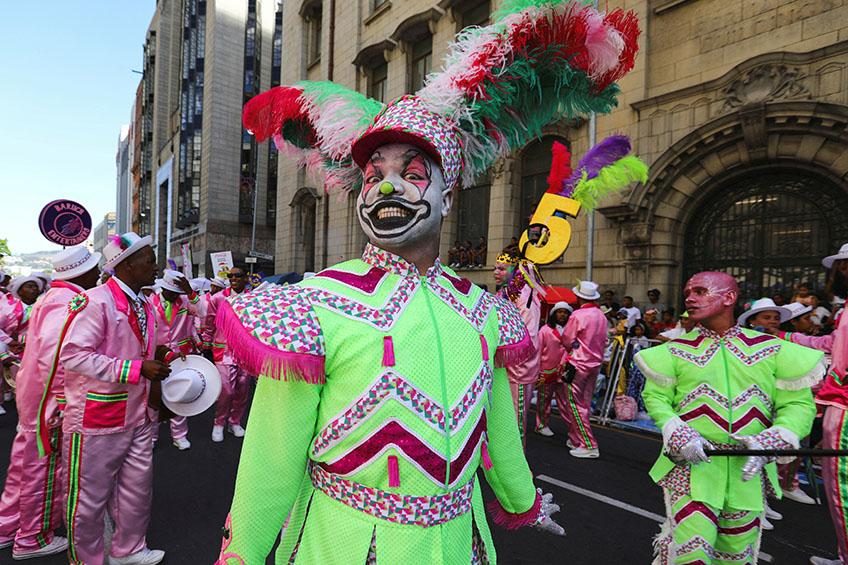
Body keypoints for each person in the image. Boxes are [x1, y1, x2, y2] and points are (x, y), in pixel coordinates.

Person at [636, 272, 823, 565]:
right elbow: (657, 399)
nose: (689, 298)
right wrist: (676, 430)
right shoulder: (673, 351)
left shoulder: (772, 350)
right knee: (691, 554)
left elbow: (798, 404)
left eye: (700, 291)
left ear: (729, 297)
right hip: (692, 469)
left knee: (736, 556)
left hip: (747, 471)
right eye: (688, 291)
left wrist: (775, 438)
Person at [60, 232, 172, 565]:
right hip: (98, 417)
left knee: (137, 489)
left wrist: (163, 355)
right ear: (126, 265)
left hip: (138, 414)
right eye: (150, 260)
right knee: (88, 500)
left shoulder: (144, 302)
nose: (156, 267)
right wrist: (136, 369)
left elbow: (146, 348)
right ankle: (86, 560)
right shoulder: (96, 301)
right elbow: (74, 355)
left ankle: (129, 549)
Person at [0, 247, 100, 559]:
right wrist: (60, 401)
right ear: (78, 273)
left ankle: (7, 527)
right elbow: (55, 358)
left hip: (33, 395)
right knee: (41, 469)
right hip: (47, 400)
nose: (98, 274)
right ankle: (32, 538)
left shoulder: (49, 297)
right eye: (93, 269)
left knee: (23, 464)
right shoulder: (69, 301)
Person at [775, 244, 848, 565]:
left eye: (844, 268)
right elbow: (831, 344)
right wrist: (788, 339)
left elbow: (839, 362)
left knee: (840, 487)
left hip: (844, 408)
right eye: (840, 268)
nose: (840, 274)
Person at [494, 251, 543, 445]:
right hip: (502, 366)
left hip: (518, 369)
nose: (495, 272)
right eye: (495, 267)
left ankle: (519, 469)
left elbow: (528, 335)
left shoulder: (525, 297)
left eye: (501, 268)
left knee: (516, 421)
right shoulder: (504, 293)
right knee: (500, 418)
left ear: (515, 270)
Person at [150, 269, 202, 450]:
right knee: (155, 396)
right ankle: (152, 436)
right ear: (163, 288)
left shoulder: (186, 301)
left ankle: (179, 435)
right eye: (172, 292)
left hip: (181, 355)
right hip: (157, 355)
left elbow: (203, 312)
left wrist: (190, 292)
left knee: (181, 394)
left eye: (178, 293)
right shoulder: (150, 303)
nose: (175, 296)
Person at [204, 266, 252, 443]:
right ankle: (219, 422)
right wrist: (206, 343)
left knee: (242, 387)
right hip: (223, 350)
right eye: (230, 276)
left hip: (245, 350)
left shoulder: (252, 298)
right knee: (226, 389)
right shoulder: (218, 298)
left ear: (245, 278)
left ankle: (235, 421)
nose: (233, 278)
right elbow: (209, 321)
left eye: (237, 275)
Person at [560, 281, 608, 458]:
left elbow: (566, 339)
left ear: (579, 297)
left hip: (578, 364)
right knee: (584, 404)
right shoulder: (601, 316)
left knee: (574, 404)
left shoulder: (578, 315)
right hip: (595, 364)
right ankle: (576, 438)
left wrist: (572, 347)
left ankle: (588, 444)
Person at [535, 302, 571, 437]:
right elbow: (538, 351)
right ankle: (541, 424)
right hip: (547, 370)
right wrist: (537, 369)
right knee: (544, 400)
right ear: (554, 313)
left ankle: (572, 428)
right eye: (559, 311)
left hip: (565, 371)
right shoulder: (545, 330)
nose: (562, 314)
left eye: (565, 312)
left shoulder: (571, 330)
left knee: (566, 402)